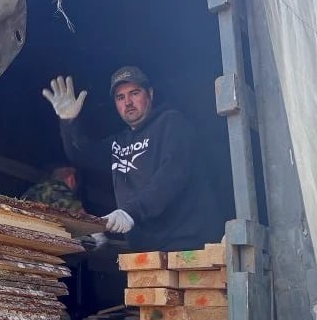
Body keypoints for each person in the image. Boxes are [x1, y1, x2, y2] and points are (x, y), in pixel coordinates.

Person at [43, 65, 222, 252]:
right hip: (146, 249)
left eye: (134, 93)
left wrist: (130, 212)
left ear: (150, 94)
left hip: (187, 243)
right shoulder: (120, 142)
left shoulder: (172, 123)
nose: (128, 102)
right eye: (120, 97)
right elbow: (83, 155)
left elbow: (172, 175)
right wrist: (69, 121)